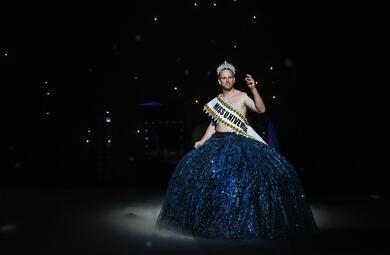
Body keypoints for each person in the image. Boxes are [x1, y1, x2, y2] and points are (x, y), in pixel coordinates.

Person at [155, 61, 317, 240]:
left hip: (238, 142)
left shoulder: (242, 96)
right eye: (223, 78)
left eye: (229, 78)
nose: (227, 80)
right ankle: (212, 219)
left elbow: (261, 109)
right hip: (216, 143)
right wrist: (202, 140)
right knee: (206, 179)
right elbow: (212, 124)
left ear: (233, 79)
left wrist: (254, 89)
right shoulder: (216, 102)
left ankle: (242, 221)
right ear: (219, 81)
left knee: (239, 182)